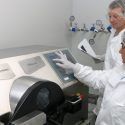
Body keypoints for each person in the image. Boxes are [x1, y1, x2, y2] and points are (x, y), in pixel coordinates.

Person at [53, 30, 125, 125]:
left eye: (123, 46)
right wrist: (74, 67)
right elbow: (97, 78)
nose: (120, 51)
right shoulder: (121, 70)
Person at [92, 0, 125, 117]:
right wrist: (101, 57)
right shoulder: (114, 31)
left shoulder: (124, 36)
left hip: (115, 86)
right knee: (100, 111)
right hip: (106, 82)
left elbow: (120, 66)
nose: (111, 20)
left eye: (115, 16)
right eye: (109, 16)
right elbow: (112, 53)